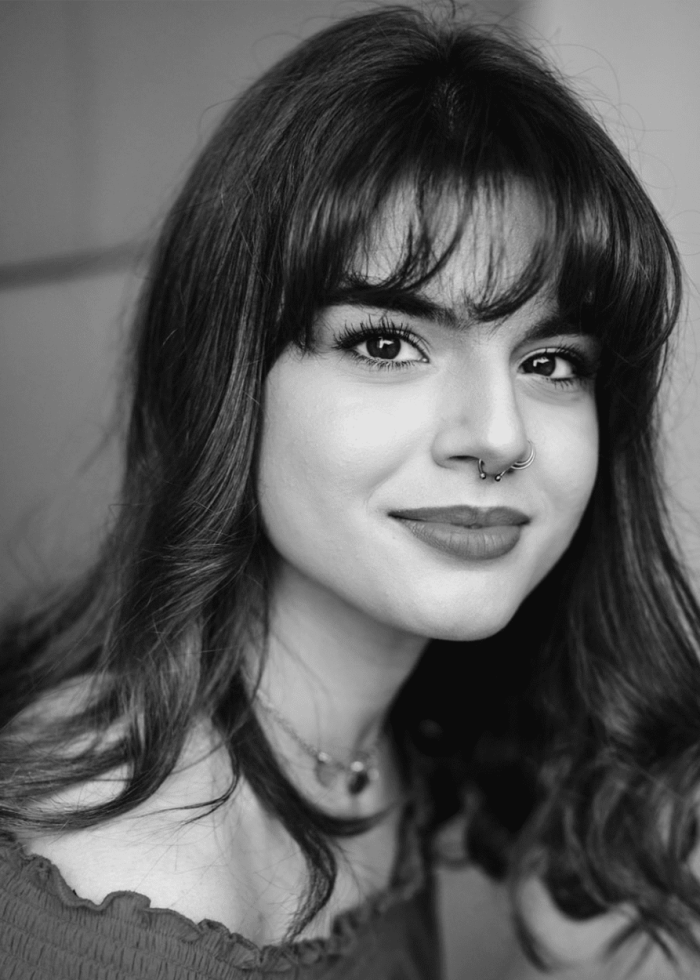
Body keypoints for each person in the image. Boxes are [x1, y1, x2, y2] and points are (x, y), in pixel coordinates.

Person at [0, 5, 698, 978]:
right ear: (227, 382)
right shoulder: (145, 890)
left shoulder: (404, 727)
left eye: (550, 359)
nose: (496, 436)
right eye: (386, 343)